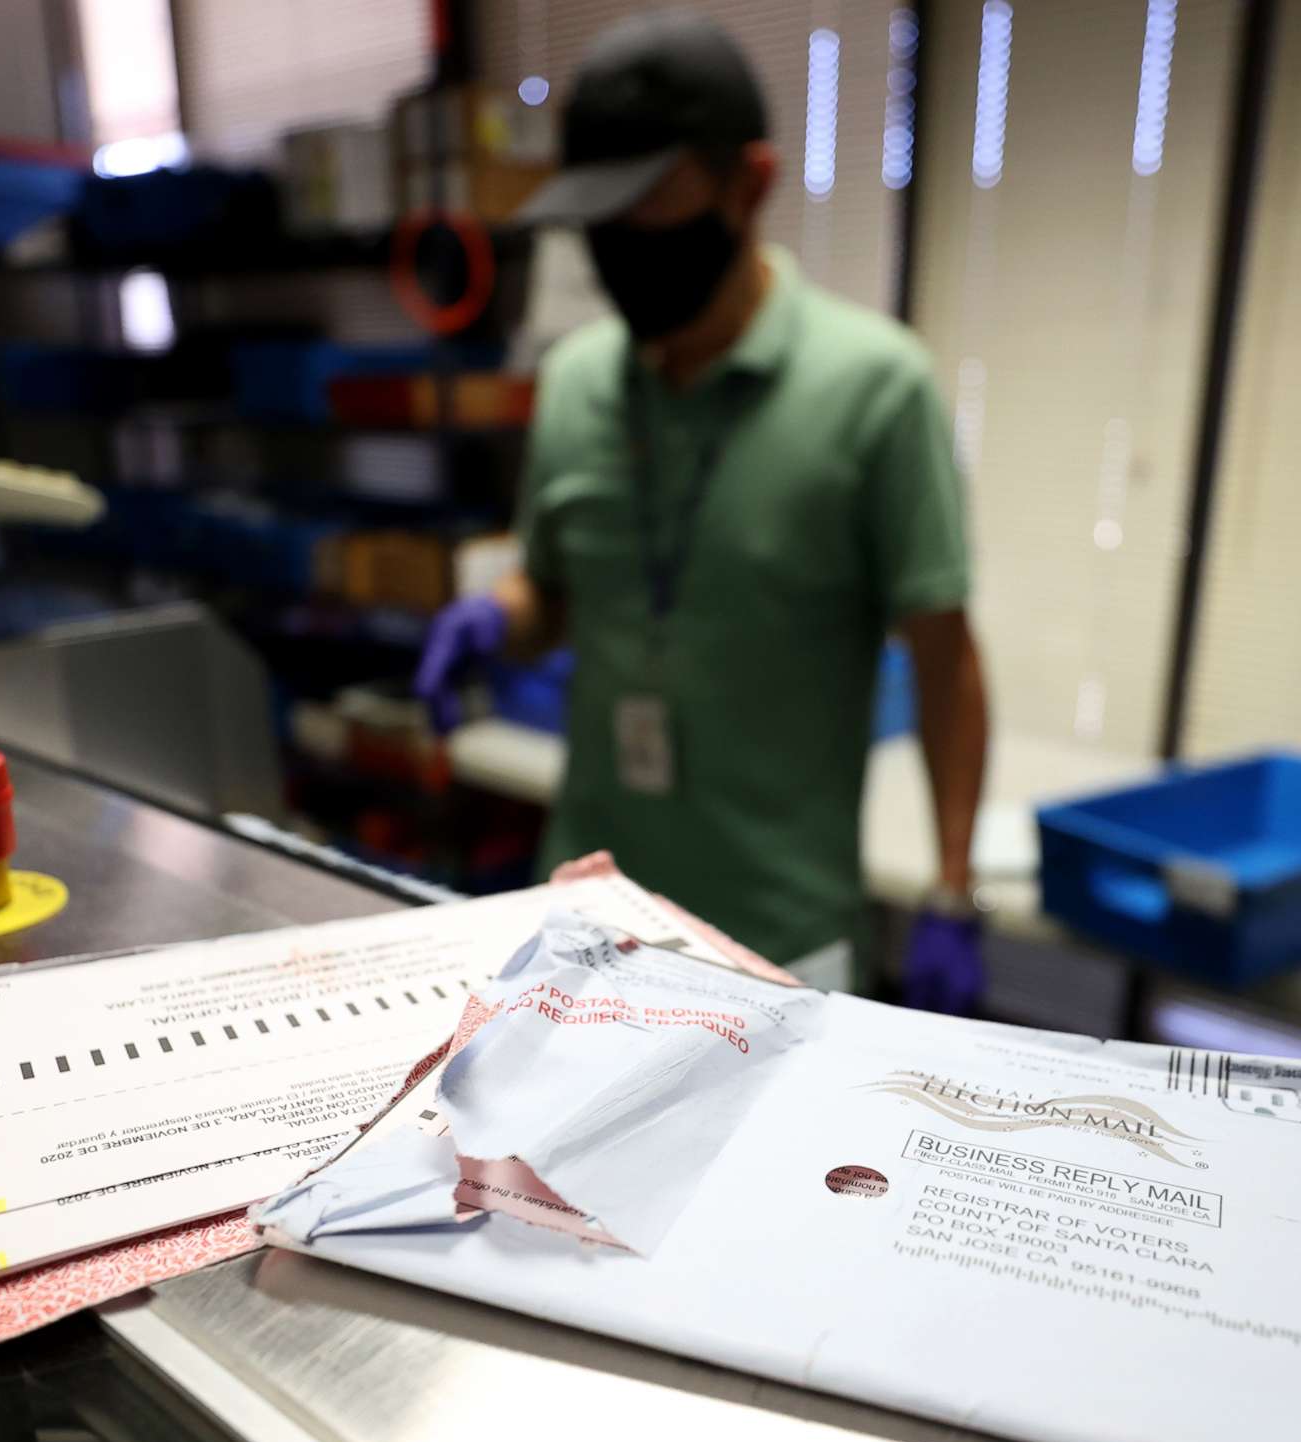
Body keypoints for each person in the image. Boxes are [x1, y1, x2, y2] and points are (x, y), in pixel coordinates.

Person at [413, 9, 991, 1012]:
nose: (623, 245)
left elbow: (944, 656)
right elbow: (553, 590)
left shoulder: (876, 389)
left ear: (750, 184)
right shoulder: (577, 380)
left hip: (779, 939)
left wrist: (951, 883)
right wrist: (494, 618)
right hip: (586, 917)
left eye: (651, 207)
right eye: (601, 215)